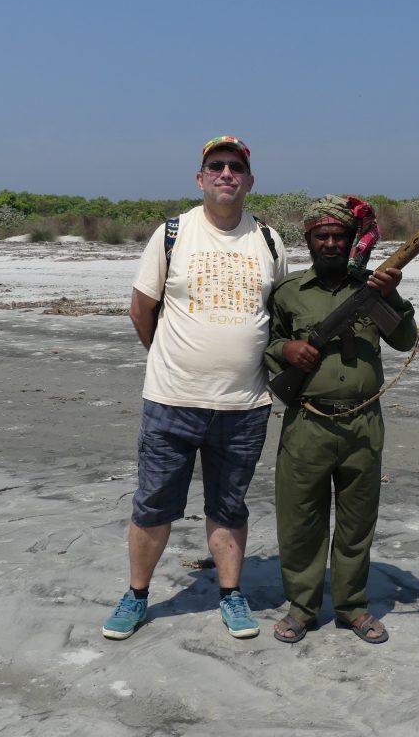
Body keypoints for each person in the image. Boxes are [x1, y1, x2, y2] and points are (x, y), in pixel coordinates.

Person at [102, 136, 288, 640]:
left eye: (236, 167)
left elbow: (278, 317)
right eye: (216, 166)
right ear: (200, 178)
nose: (226, 173)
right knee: (153, 503)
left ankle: (231, 594)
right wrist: (172, 361)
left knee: (229, 506)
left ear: (249, 180)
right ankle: (137, 596)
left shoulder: (269, 242)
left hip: (244, 404)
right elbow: (142, 310)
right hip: (171, 402)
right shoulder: (172, 234)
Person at [264, 195, 417, 644]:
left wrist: (391, 294)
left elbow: (405, 341)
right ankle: (302, 607)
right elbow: (266, 344)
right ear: (309, 240)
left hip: (363, 425)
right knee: (300, 522)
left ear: (352, 240)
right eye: (321, 236)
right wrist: (286, 351)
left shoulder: (372, 288)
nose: (330, 243)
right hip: (307, 423)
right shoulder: (289, 292)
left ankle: (352, 607)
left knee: (356, 523)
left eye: (339, 236)